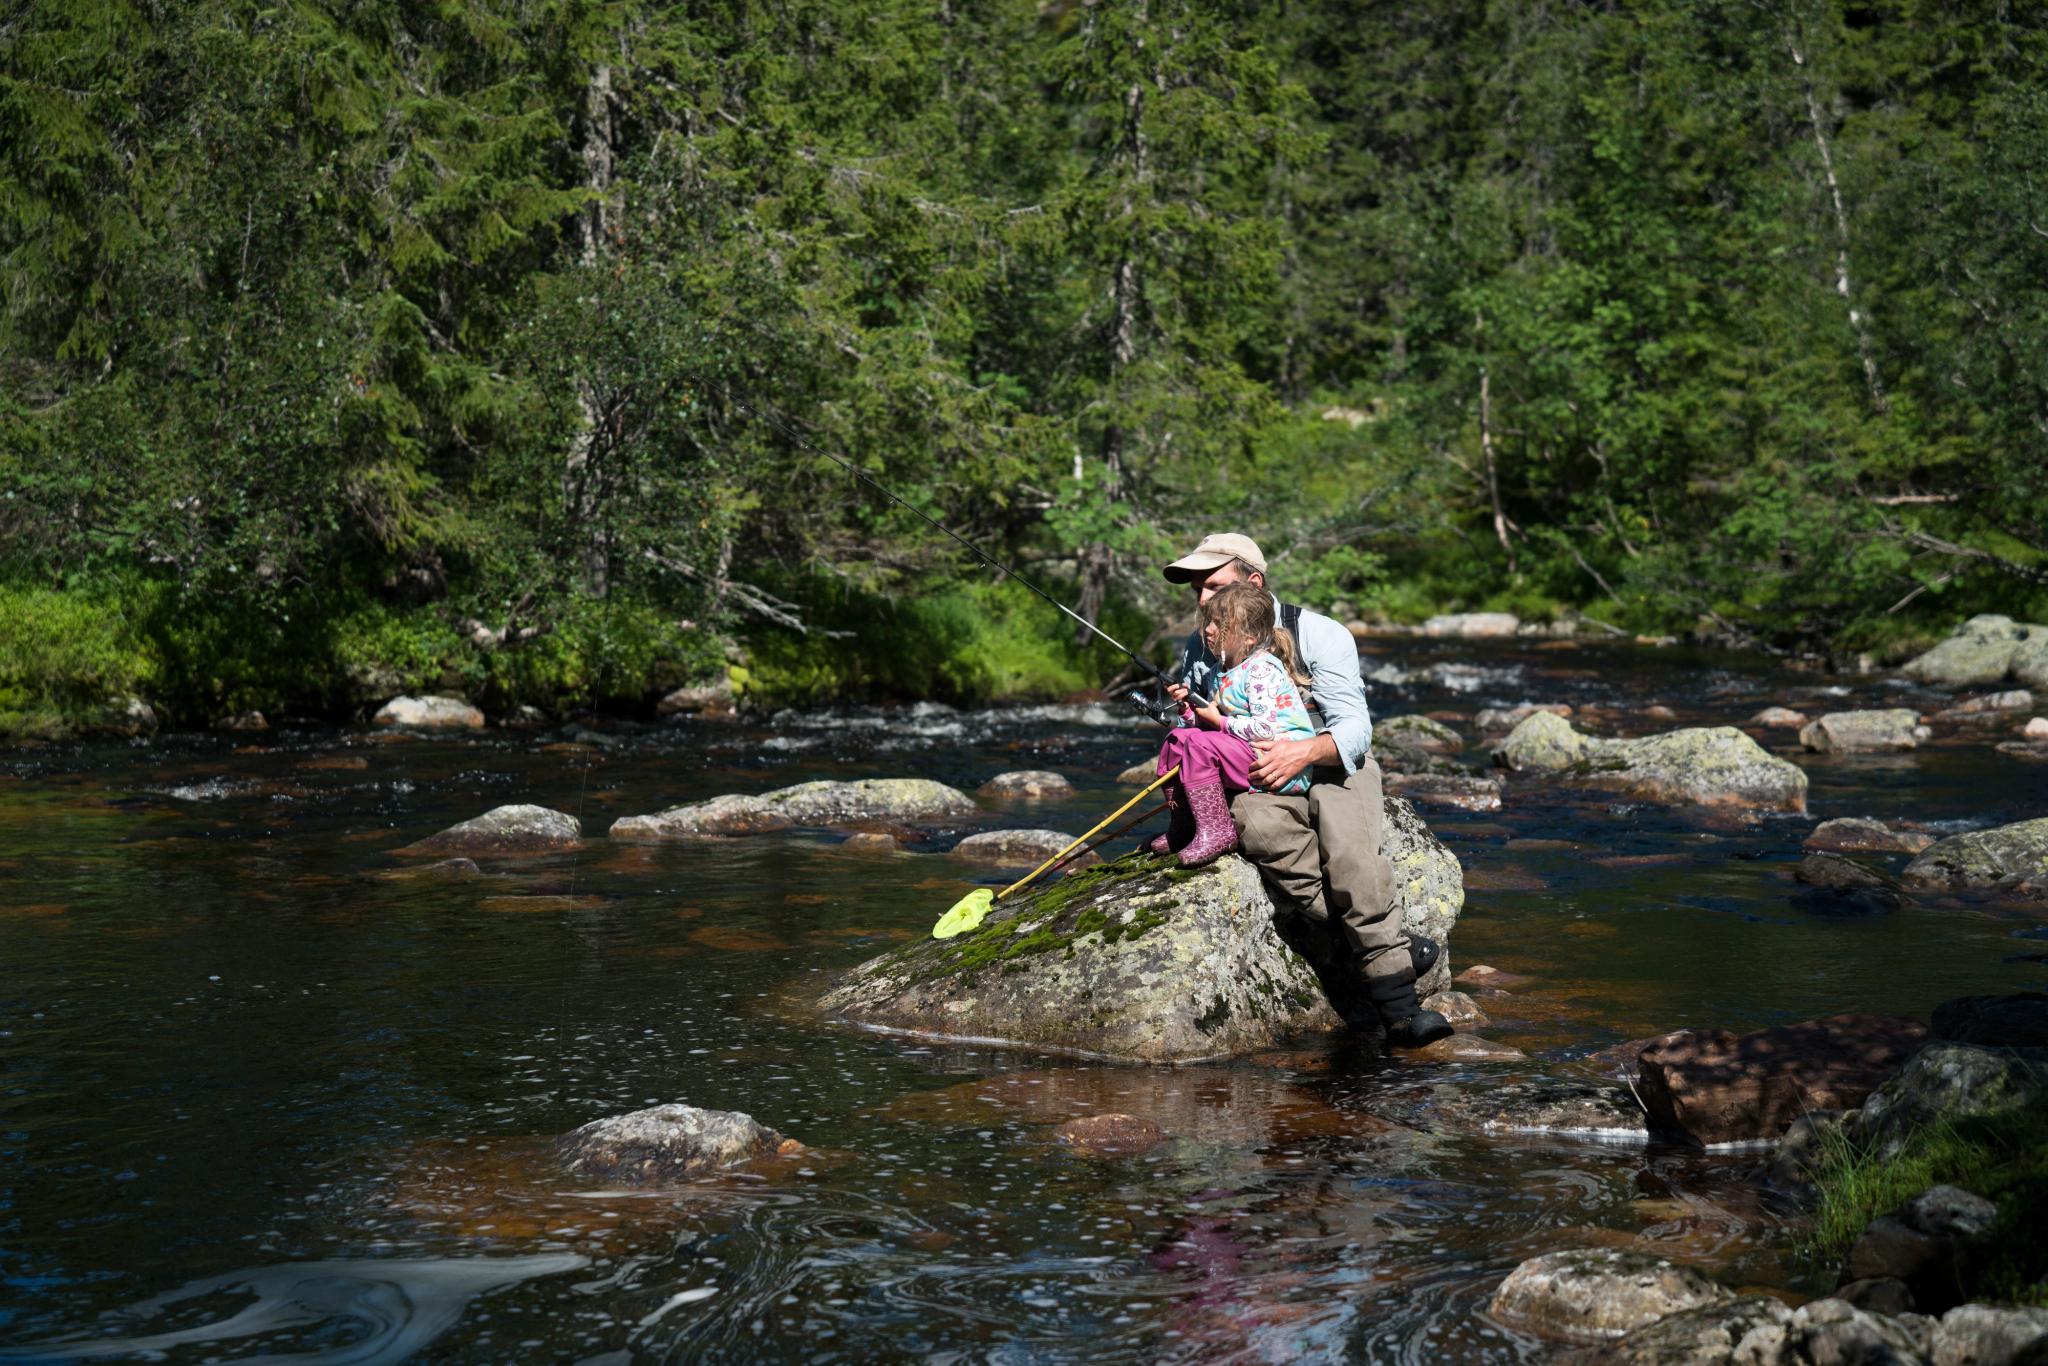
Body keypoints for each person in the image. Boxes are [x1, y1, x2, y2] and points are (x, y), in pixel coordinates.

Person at [1159, 532, 1452, 1047]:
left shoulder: (1322, 633)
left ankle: (1402, 1012)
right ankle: (1393, 946)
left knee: (1351, 862)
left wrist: (1302, 751)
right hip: (1263, 773)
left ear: (1254, 583)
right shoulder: (1202, 645)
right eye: (1197, 592)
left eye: (1213, 587)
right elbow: (1213, 729)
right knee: (1260, 831)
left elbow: (1356, 731)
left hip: (1336, 764)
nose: (1203, 601)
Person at [1150, 582, 1318, 866]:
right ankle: (1184, 826)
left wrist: (1220, 721)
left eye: (1220, 624)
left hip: (1277, 764)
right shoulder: (1221, 670)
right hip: (1246, 750)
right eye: (1209, 622)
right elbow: (1206, 724)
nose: (1209, 630)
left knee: (1201, 745)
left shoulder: (1260, 670)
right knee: (1176, 740)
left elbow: (1264, 728)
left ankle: (1218, 832)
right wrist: (1190, 711)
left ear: (1250, 636)